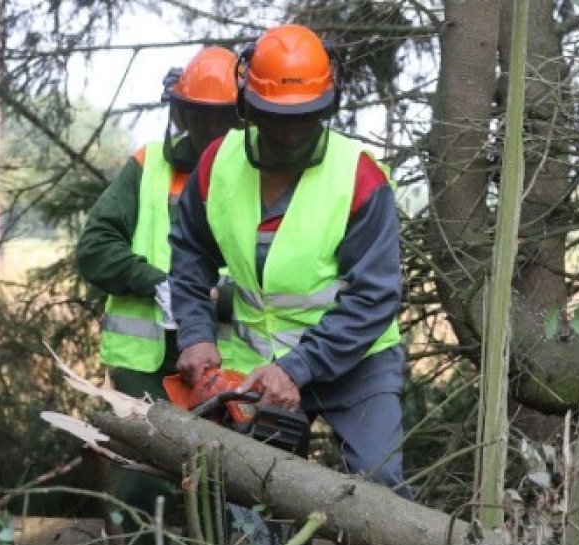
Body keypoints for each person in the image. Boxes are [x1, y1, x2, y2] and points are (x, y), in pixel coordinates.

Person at [170, 24, 411, 503]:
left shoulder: (359, 177)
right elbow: (190, 253)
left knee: (379, 488)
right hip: (256, 364)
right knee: (254, 498)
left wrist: (299, 367)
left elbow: (375, 294)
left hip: (356, 363)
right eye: (275, 117)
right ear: (248, 106)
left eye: (305, 117)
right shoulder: (219, 163)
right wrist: (196, 334)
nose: (290, 132)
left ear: (327, 106)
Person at [75, 47, 240, 545]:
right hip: (144, 360)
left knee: (221, 481)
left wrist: (224, 298)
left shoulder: (255, 174)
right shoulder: (147, 167)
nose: (210, 129)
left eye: (221, 117)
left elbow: (281, 268)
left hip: (225, 353)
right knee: (143, 484)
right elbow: (95, 248)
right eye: (199, 115)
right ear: (179, 112)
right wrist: (157, 283)